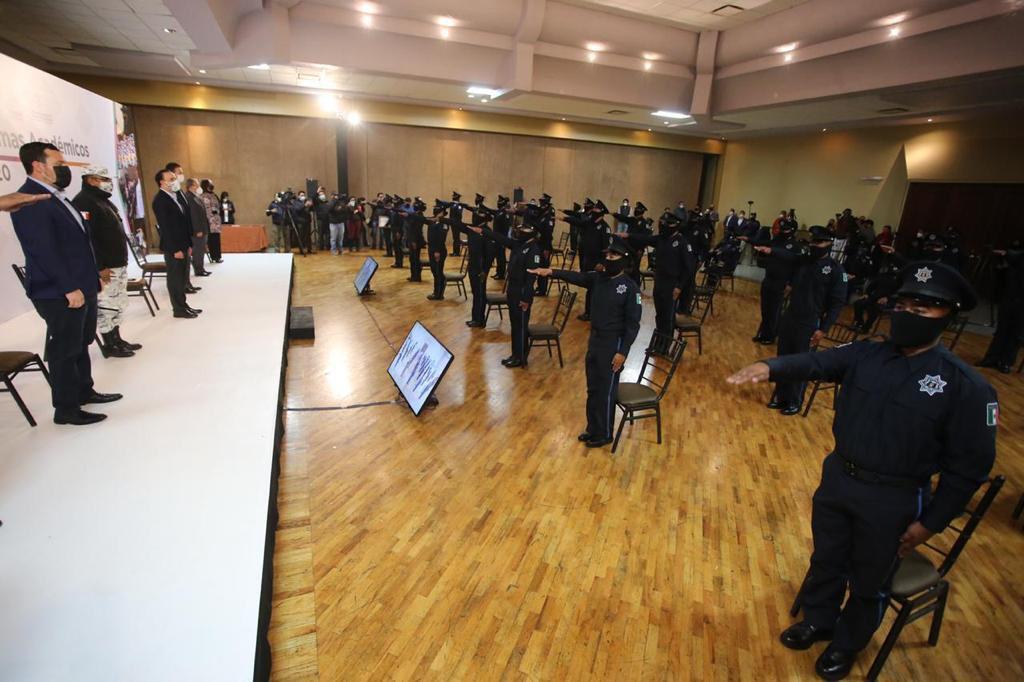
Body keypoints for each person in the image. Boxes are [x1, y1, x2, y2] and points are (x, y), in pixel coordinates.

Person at [727, 262, 997, 681]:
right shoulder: (867, 354)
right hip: (839, 479)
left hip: (894, 498)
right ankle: (819, 620)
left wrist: (930, 524)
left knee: (870, 580)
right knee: (827, 559)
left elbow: (968, 471)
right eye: (902, 306)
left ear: (949, 315)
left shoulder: (965, 387)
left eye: (922, 309)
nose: (907, 315)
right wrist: (770, 367)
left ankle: (846, 643)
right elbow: (816, 363)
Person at [10, 142, 122, 425]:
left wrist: (92, 276)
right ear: (38, 165)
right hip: (59, 290)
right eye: (58, 164)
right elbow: (43, 250)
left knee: (81, 342)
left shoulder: (56, 196)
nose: (64, 169)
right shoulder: (29, 199)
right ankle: (66, 408)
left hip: (81, 284)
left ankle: (84, 391)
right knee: (64, 349)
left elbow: (79, 243)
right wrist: (67, 287)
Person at [529, 239, 642, 448]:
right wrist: (551, 271)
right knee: (593, 388)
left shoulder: (630, 288)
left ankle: (604, 433)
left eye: (613, 256)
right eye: (607, 255)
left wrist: (623, 352)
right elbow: (577, 277)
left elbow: (633, 325)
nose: (608, 258)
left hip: (613, 344)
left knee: (606, 391)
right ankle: (593, 428)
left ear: (624, 259)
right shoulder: (599, 278)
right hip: (595, 340)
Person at [768, 225, 848, 415]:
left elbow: (837, 303)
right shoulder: (803, 261)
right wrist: (770, 250)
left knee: (802, 363)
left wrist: (824, 329)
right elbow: (788, 258)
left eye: (818, 242)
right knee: (783, 358)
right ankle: (781, 397)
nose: (814, 245)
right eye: (813, 242)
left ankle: (794, 401)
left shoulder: (835, 270)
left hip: (810, 322)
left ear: (829, 244)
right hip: (791, 317)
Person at [71, 165, 142, 358]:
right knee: (107, 306)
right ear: (91, 180)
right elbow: (89, 239)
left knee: (117, 303)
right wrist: (100, 266)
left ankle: (117, 339)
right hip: (106, 267)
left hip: (117, 262)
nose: (108, 183)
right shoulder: (84, 202)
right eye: (104, 179)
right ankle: (109, 344)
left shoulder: (102, 200)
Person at [470, 219, 543, 368]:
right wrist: (483, 231)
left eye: (523, 229)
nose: (519, 231)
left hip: (522, 291)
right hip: (513, 288)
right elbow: (501, 238)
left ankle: (521, 357)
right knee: (514, 324)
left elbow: (531, 278)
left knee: (520, 325)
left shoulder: (533, 250)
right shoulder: (519, 244)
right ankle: (515, 354)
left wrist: (526, 298)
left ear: (532, 232)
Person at [627, 211, 695, 350]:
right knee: (660, 315)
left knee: (668, 317)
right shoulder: (661, 239)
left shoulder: (682, 242)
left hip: (672, 285)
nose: (663, 226)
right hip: (659, 282)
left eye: (666, 224)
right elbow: (645, 238)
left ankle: (664, 348)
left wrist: (679, 287)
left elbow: (688, 268)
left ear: (675, 225)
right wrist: (627, 235)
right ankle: (658, 343)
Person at [152, 169, 200, 319]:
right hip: (174, 247)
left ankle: (184, 305)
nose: (175, 181)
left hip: (183, 244)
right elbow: (166, 228)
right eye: (171, 179)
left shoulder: (175, 196)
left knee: (182, 277)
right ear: (162, 182)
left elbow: (184, 222)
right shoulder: (160, 200)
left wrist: (189, 244)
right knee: (175, 279)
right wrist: (175, 249)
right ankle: (178, 308)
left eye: (174, 178)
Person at [560, 199, 610, 321]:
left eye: (596, 209)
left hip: (597, 262)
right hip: (588, 260)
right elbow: (578, 221)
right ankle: (591, 312)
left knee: (593, 289)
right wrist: (564, 218)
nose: (593, 210)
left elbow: (607, 249)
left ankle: (590, 313)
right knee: (590, 287)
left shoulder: (605, 228)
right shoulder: (590, 223)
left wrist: (602, 263)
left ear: (601, 212)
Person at [752, 219, 800, 344]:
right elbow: (764, 245)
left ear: (792, 230)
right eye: (781, 229)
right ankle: (763, 333)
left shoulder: (795, 245)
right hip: (769, 278)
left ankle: (770, 336)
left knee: (775, 310)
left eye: (786, 229)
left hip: (782, 281)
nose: (782, 232)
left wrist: (790, 284)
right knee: (765, 309)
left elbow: (794, 263)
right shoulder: (776, 241)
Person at [977, 246, 1024, 373]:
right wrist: (1005, 254)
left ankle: (1006, 362)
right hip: (1011, 298)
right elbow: (1014, 256)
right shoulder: (1020, 258)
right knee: (1001, 330)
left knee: (1016, 335)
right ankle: (991, 358)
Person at [184, 178, 212, 277]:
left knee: (201, 249)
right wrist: (197, 230)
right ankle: (198, 269)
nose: (199, 186)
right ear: (191, 186)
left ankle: (201, 268)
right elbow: (193, 216)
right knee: (198, 250)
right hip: (198, 230)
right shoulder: (189, 197)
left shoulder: (196, 196)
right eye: (197, 184)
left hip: (203, 227)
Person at [426, 202, 450, 300]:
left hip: (438, 250)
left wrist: (437, 251)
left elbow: (441, 238)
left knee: (438, 272)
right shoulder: (434, 221)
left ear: (442, 212)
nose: (435, 210)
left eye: (437, 209)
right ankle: (436, 292)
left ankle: (439, 294)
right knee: (434, 271)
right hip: (432, 249)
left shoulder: (444, 223)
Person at [402, 198, 428, 282]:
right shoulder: (417, 215)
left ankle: (416, 276)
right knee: (413, 259)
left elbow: (415, 230)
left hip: (415, 240)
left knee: (415, 259)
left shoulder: (417, 216)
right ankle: (414, 275)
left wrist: (413, 241)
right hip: (414, 239)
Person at [199, 179, 223, 263]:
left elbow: (218, 205)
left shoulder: (213, 194)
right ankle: (214, 256)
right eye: (210, 184)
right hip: (210, 221)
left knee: (216, 239)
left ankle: (218, 256)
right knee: (212, 239)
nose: (212, 185)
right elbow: (206, 209)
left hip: (216, 221)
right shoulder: (203, 196)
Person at [491, 195, 513, 280]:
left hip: (501, 238)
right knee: (498, 256)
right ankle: (498, 272)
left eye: (499, 201)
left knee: (501, 257)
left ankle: (501, 274)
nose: (498, 202)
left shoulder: (504, 213)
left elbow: (505, 227)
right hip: (497, 238)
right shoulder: (499, 212)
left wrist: (504, 239)